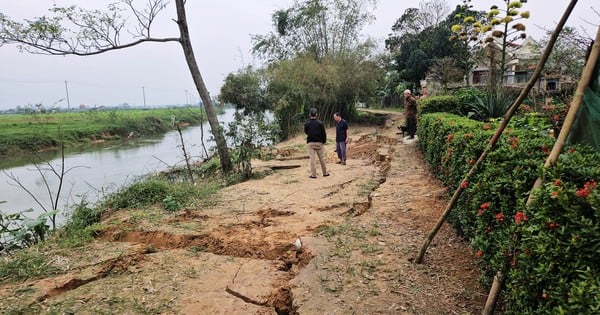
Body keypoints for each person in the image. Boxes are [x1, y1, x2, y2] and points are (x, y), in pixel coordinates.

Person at [304, 108, 329, 178]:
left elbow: (306, 132)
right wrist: (323, 141)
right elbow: (324, 134)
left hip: (311, 143)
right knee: (322, 158)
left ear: (309, 115)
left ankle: (313, 174)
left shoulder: (307, 123)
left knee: (312, 159)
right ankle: (325, 173)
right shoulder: (320, 123)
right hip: (319, 143)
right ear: (316, 115)